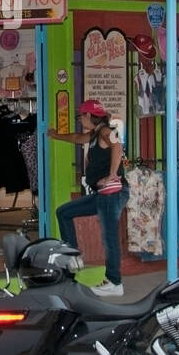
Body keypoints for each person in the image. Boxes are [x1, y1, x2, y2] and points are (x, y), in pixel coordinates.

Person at [47, 99, 128, 297]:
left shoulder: (105, 132)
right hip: (102, 195)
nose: (79, 119)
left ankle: (115, 282)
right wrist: (55, 135)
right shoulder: (94, 134)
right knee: (64, 212)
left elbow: (117, 147)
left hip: (112, 193)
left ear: (90, 116)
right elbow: (76, 137)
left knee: (109, 238)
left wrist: (112, 174)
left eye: (80, 116)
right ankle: (74, 256)